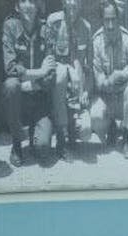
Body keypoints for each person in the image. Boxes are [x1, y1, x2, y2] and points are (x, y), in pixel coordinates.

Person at [0, 0, 58, 167]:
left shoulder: (46, 30)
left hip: (40, 98)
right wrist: (39, 73)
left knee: (43, 148)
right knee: (11, 86)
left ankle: (35, 132)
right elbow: (10, 68)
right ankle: (16, 144)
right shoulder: (10, 27)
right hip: (19, 99)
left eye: (33, 2)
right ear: (17, 6)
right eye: (24, 1)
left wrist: (31, 83)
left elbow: (51, 73)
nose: (29, 6)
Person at [44, 0, 94, 159]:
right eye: (69, 0)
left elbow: (89, 66)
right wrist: (68, 68)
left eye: (77, 1)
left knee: (85, 132)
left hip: (76, 90)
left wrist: (86, 89)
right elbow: (48, 58)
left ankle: (71, 127)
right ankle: (61, 137)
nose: (72, 3)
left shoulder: (86, 27)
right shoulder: (53, 21)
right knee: (61, 75)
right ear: (63, 2)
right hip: (58, 83)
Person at [89, 1, 128, 155]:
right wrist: (108, 81)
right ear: (102, 20)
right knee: (96, 117)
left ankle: (125, 138)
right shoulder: (96, 41)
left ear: (118, 19)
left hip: (122, 97)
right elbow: (97, 77)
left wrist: (120, 74)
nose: (110, 25)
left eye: (113, 19)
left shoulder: (127, 39)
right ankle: (110, 126)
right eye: (106, 20)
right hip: (105, 96)